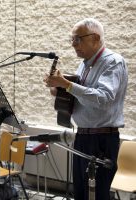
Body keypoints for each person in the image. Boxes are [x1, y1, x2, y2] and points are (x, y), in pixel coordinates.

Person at [44, 18, 128, 200]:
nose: (74, 44)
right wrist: (57, 88)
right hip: (82, 137)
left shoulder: (113, 62)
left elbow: (103, 98)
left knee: (96, 194)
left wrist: (66, 84)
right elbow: (80, 96)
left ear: (96, 38)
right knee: (81, 194)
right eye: (72, 39)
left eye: (78, 39)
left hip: (102, 139)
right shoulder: (84, 63)